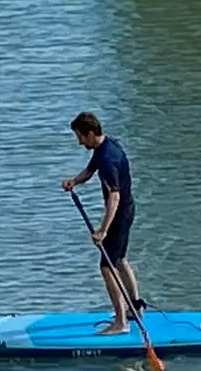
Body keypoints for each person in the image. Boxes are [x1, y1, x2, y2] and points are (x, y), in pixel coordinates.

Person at [61, 111, 143, 335]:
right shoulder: (106, 146)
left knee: (107, 267)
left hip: (119, 213)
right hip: (128, 209)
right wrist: (74, 181)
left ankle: (120, 322)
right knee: (119, 259)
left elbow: (113, 196)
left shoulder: (108, 160)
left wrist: (103, 230)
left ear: (89, 133)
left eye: (79, 136)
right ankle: (135, 309)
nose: (78, 141)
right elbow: (90, 170)